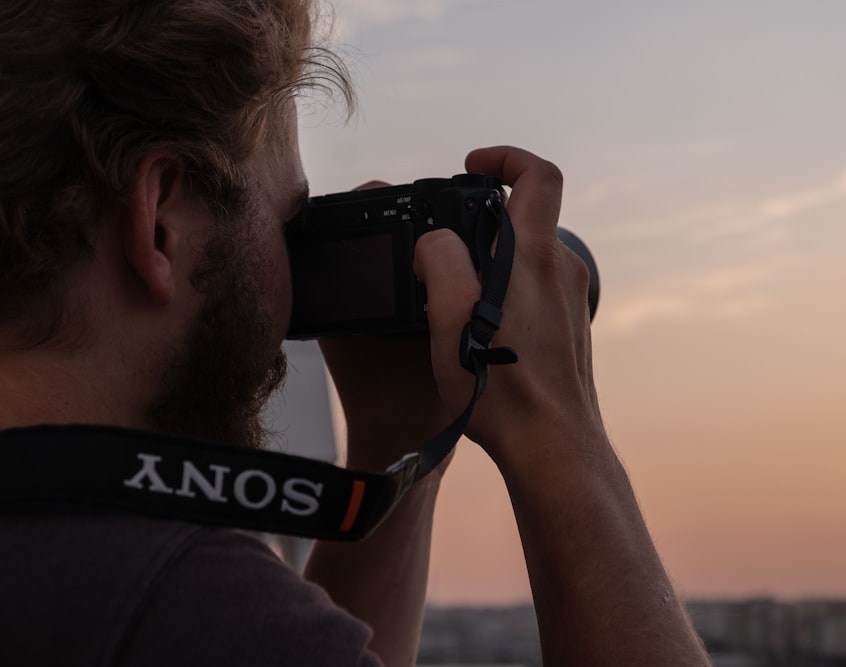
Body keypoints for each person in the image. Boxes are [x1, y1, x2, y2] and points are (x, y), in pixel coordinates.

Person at [0, 1, 711, 665]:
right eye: (289, 221)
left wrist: (399, 437)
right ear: (160, 225)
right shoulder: (190, 608)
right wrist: (563, 434)